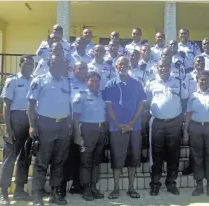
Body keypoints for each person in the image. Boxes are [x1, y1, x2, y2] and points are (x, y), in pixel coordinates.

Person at [27, 55, 71, 206]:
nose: (56, 64)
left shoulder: (67, 81)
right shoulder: (39, 81)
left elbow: (70, 105)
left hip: (63, 126)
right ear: (49, 64)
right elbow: (31, 105)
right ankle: (37, 196)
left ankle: (54, 194)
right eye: (53, 62)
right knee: (41, 162)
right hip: (46, 125)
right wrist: (32, 125)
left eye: (59, 61)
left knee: (59, 162)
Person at [103, 56, 146, 199]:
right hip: (116, 127)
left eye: (126, 63)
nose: (123, 66)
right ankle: (116, 189)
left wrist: (132, 122)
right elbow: (108, 106)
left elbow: (141, 104)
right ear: (116, 66)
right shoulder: (110, 84)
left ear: (129, 66)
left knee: (133, 159)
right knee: (117, 159)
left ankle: (131, 188)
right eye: (120, 64)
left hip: (134, 127)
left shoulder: (137, 83)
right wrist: (116, 123)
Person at [146, 58, 189, 196]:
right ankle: (155, 184)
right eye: (161, 66)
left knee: (173, 154)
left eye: (166, 66)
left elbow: (184, 101)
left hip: (174, 123)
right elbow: (146, 102)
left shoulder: (178, 82)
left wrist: (180, 120)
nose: (163, 68)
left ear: (170, 67)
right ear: (157, 68)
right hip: (157, 122)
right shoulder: (151, 83)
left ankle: (171, 183)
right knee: (156, 155)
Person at [0, 55, 34, 205]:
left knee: (25, 158)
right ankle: (4, 193)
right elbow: (6, 105)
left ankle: (19, 190)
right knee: (9, 158)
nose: (29, 66)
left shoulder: (34, 81)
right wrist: (8, 128)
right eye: (26, 64)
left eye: (32, 64)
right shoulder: (12, 80)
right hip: (16, 119)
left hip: (30, 121)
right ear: (20, 65)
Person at [73, 71, 106, 201]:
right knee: (86, 161)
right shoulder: (81, 95)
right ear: (87, 81)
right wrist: (77, 135)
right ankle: (86, 188)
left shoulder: (102, 96)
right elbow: (75, 117)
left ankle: (93, 187)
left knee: (96, 162)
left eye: (97, 81)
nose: (95, 83)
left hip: (100, 130)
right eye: (92, 80)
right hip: (87, 130)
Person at [62, 61, 89, 195]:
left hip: (87, 124)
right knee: (69, 155)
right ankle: (62, 186)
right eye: (81, 68)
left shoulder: (90, 83)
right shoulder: (68, 82)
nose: (84, 70)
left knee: (82, 156)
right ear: (74, 70)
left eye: (85, 68)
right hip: (71, 124)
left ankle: (77, 184)